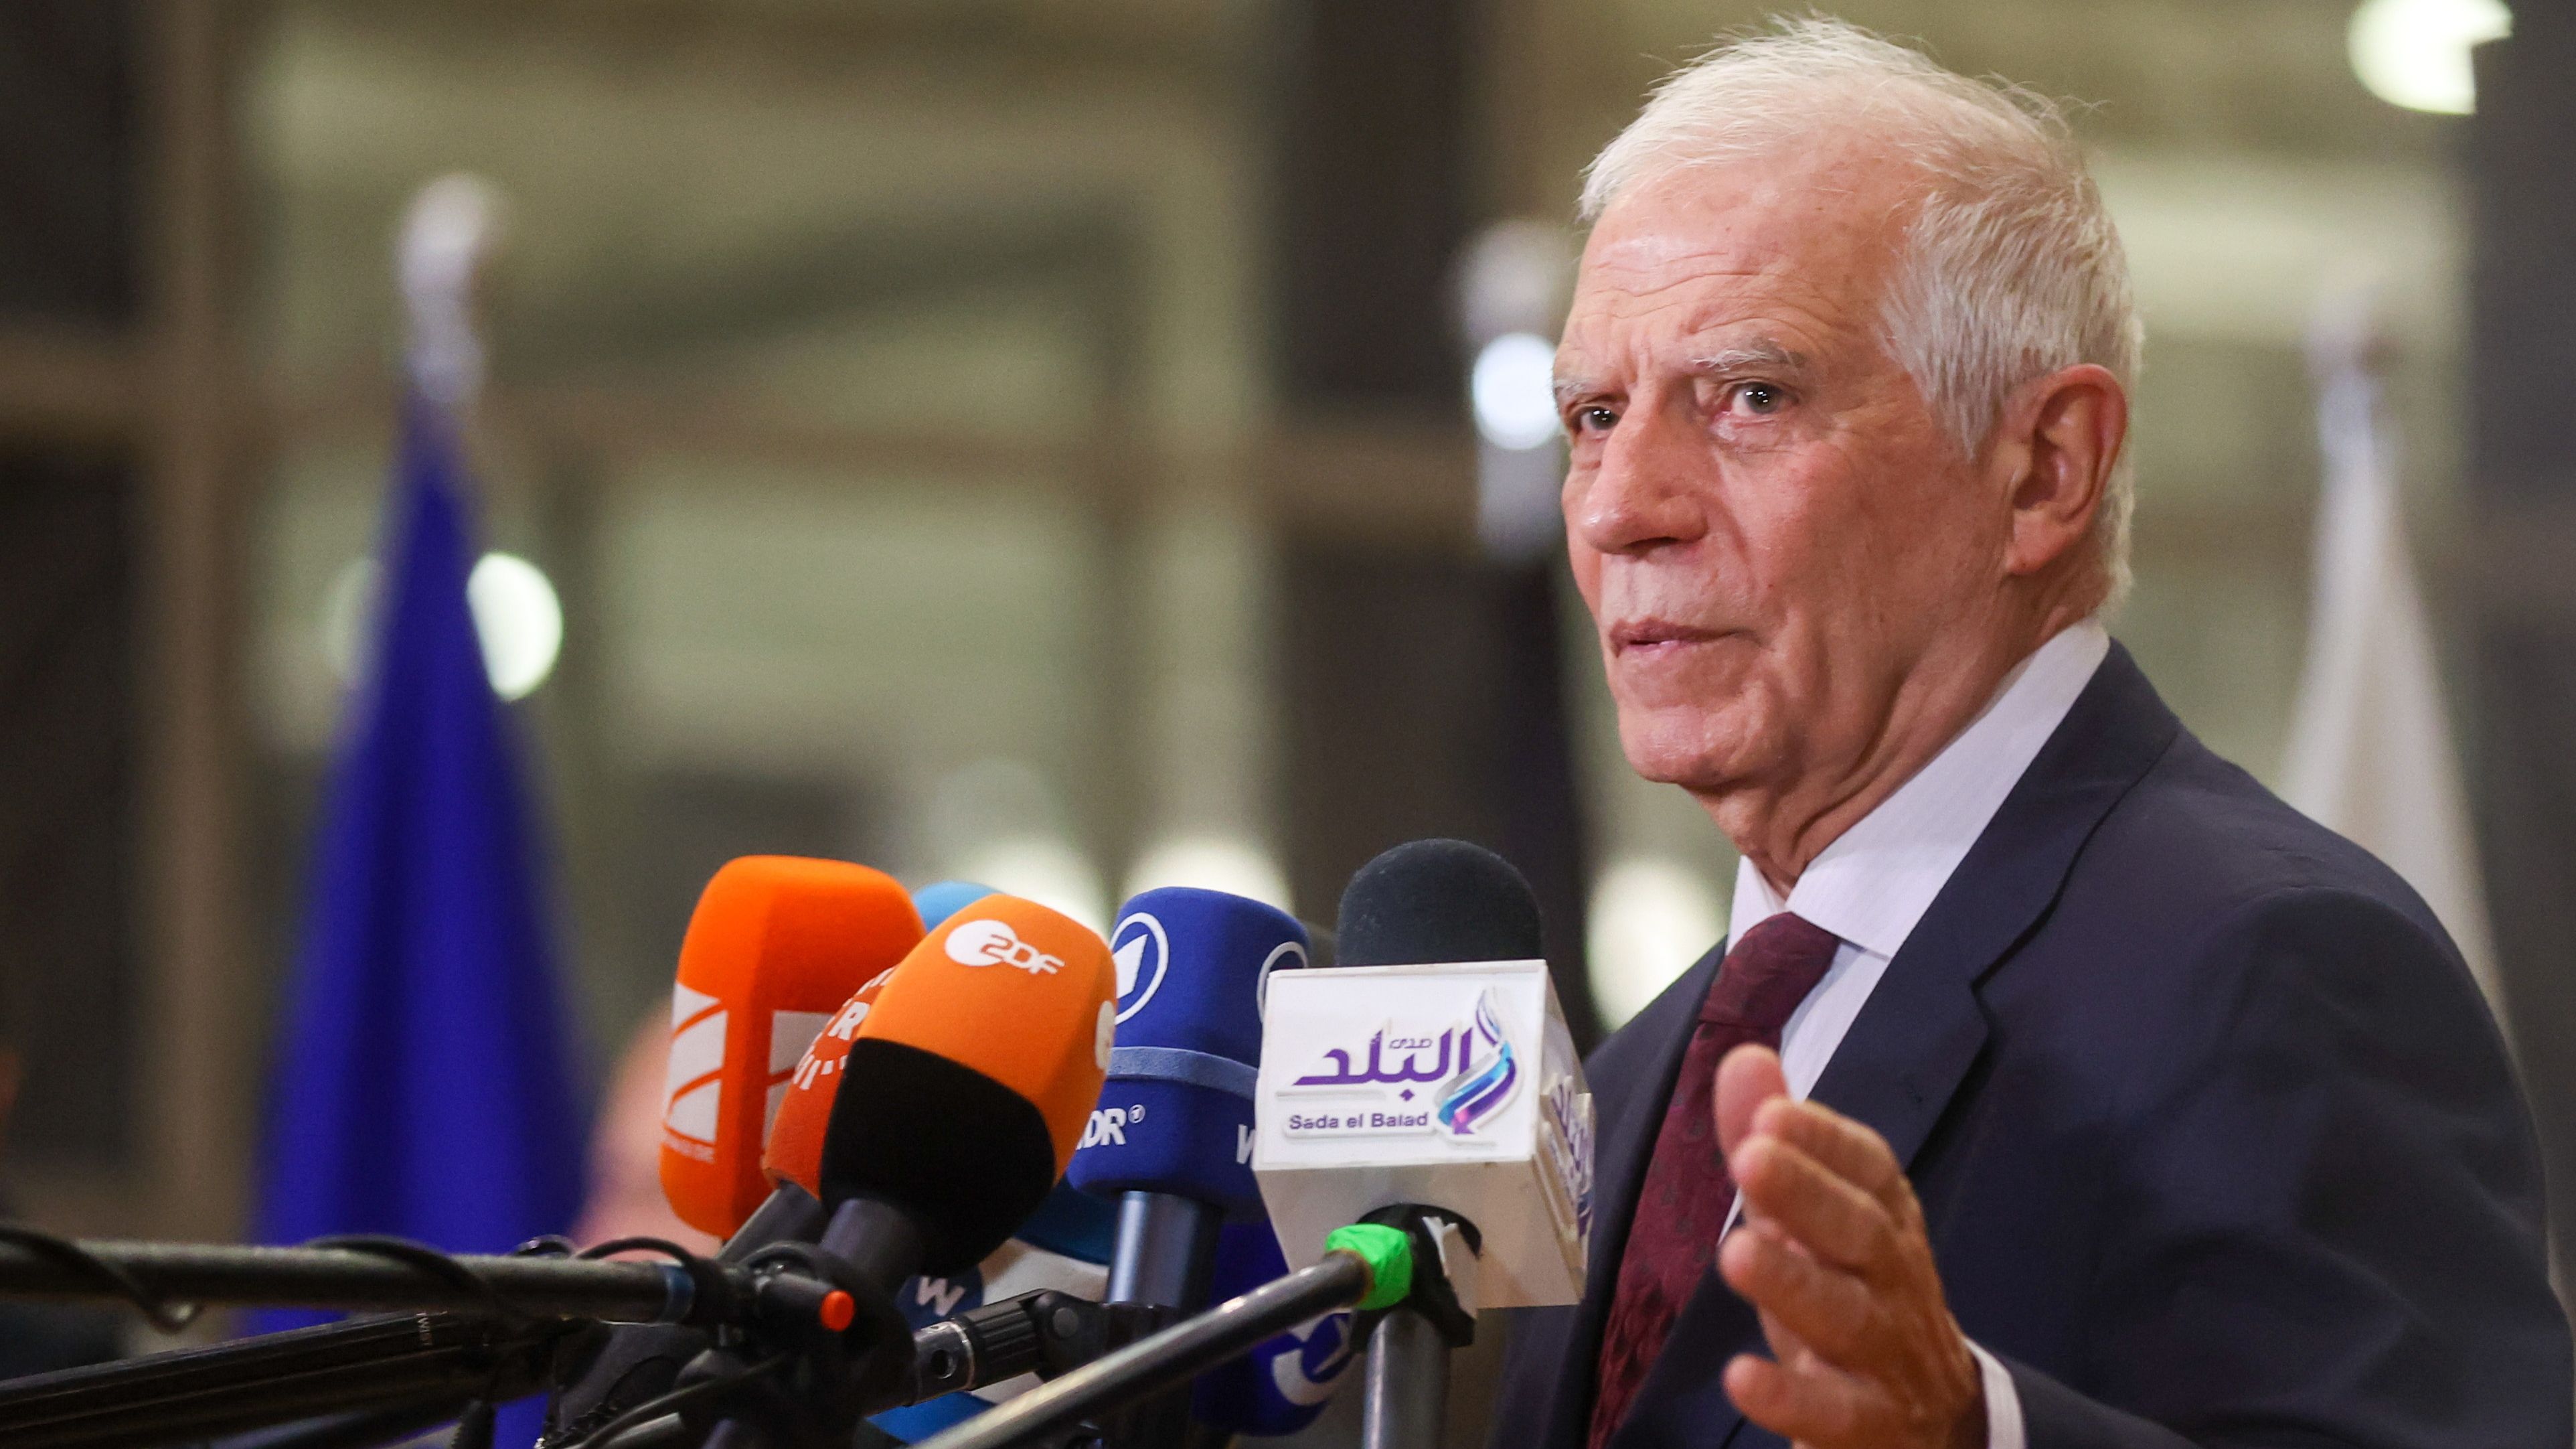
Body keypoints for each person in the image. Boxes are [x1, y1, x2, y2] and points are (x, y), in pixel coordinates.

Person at [1493, 19, 2570, 1449]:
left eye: (1750, 396)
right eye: (1592, 414)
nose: (1624, 505)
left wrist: (1977, 1428)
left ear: (2044, 469)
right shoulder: (1629, 1080)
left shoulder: (2277, 966)